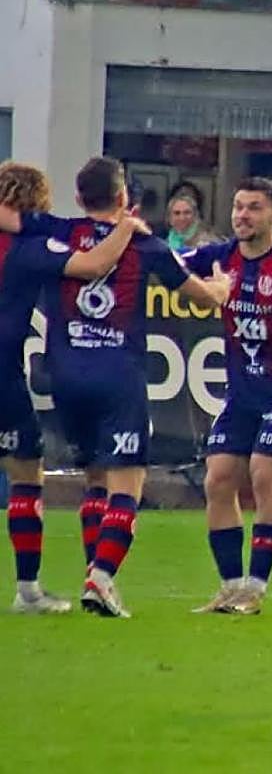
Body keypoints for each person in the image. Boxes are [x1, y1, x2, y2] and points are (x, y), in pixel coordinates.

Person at [12, 157, 232, 617]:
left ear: (78, 198)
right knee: (127, 484)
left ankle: (94, 573)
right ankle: (102, 576)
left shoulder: (54, 230)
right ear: (123, 197)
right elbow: (203, 297)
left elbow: (10, 214)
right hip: (118, 375)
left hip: (64, 378)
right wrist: (223, 285)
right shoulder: (146, 244)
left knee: (94, 478)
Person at [0, 162, 153, 613]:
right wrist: (126, 227)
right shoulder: (31, 248)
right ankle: (28, 589)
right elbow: (93, 265)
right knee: (27, 474)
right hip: (3, 373)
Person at [185, 177, 272, 615]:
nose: (242, 215)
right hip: (242, 394)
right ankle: (230, 586)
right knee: (218, 478)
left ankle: (256, 587)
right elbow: (168, 263)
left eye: (254, 208)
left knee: (265, 474)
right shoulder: (219, 257)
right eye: (238, 207)